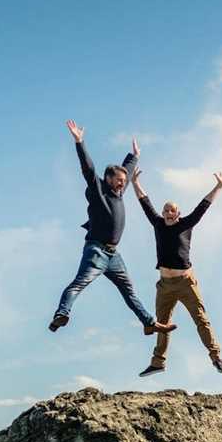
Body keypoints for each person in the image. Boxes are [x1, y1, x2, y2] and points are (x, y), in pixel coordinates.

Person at [49, 120, 177, 337]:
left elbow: (126, 170)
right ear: (107, 180)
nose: (122, 184)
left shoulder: (119, 190)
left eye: (123, 181)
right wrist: (79, 142)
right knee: (80, 283)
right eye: (118, 181)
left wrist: (134, 155)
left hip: (113, 255)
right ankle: (61, 314)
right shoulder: (100, 191)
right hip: (96, 251)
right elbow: (88, 170)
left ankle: (149, 323)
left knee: (129, 291)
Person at [131, 168, 222, 377]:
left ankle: (216, 357)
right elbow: (144, 202)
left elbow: (203, 206)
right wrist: (134, 182)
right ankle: (158, 362)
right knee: (161, 324)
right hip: (165, 285)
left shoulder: (186, 224)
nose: (168, 213)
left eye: (172, 210)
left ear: (178, 213)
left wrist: (218, 186)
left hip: (186, 282)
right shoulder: (158, 224)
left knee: (201, 319)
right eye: (165, 210)